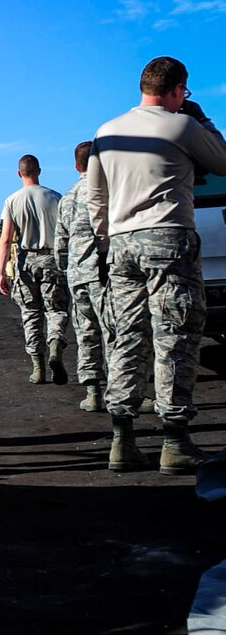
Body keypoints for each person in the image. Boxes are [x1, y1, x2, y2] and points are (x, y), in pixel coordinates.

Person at [88, 56, 226, 473]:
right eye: (184, 92)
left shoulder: (106, 131)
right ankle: (174, 440)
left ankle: (122, 439)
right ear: (176, 90)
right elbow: (222, 162)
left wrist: (107, 235)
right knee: (176, 337)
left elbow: (97, 197)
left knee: (127, 337)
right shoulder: (181, 125)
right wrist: (204, 122)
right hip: (168, 236)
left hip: (122, 243)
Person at [0, 155, 69, 385]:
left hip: (27, 262)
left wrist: (1, 272)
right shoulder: (57, 197)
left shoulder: (12, 200)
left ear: (19, 173)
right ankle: (55, 343)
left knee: (31, 314)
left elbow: (6, 239)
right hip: (52, 259)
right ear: (39, 171)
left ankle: (38, 368)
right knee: (56, 309)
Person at [55, 142, 111, 413]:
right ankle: (121, 390)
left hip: (77, 274)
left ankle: (93, 393)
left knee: (86, 332)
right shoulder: (108, 190)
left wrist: (66, 268)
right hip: (104, 271)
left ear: (77, 166)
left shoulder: (67, 198)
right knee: (113, 331)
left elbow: (60, 245)